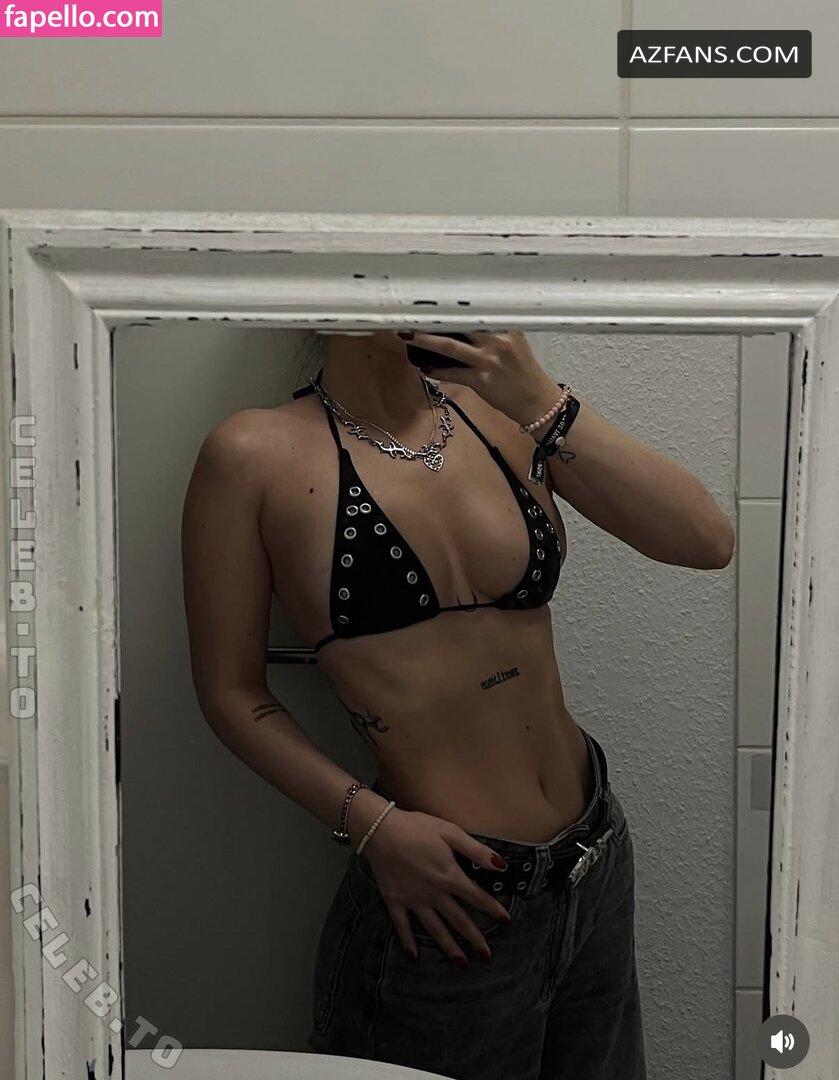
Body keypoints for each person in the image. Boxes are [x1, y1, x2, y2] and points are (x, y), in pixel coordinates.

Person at [181, 330, 734, 1080]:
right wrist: (373, 826)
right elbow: (231, 693)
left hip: (591, 858)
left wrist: (540, 398)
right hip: (448, 899)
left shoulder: (502, 413)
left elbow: (704, 541)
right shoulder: (252, 454)